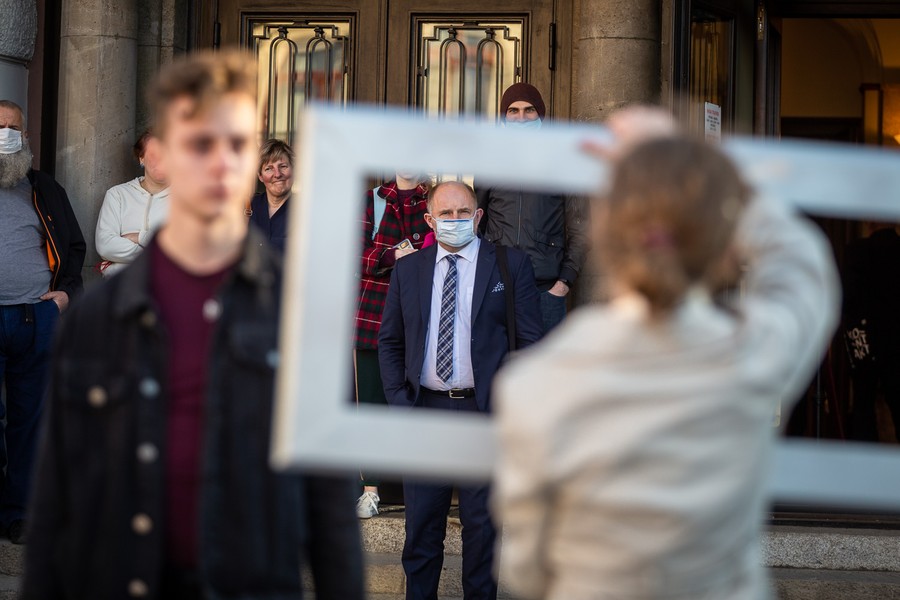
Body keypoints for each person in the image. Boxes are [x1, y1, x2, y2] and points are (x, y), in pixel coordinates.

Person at [23, 51, 364, 600]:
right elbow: (56, 499)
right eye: (199, 142)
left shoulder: (294, 308)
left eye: (236, 143)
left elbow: (328, 510)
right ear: (159, 155)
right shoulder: (96, 319)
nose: (219, 162)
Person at [491, 126, 840, 600]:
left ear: (601, 232)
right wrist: (705, 169)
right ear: (722, 247)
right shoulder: (750, 357)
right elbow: (801, 266)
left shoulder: (533, 383)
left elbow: (524, 569)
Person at [378, 180, 543, 600]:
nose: (456, 220)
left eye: (463, 212)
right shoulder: (408, 269)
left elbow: (530, 344)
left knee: (483, 530)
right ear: (430, 220)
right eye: (446, 215)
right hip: (424, 411)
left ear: (478, 215)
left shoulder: (510, 264)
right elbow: (391, 342)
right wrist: (400, 402)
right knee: (421, 530)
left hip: (482, 413)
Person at [0, 99, 85, 544]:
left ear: (26, 138)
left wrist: (66, 295)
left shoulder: (44, 188)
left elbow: (73, 245)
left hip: (37, 317)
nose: (6, 133)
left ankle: (20, 513)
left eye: (14, 127)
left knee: (31, 419)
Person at [475, 82, 589, 333]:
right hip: (496, 285)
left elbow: (580, 229)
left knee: (544, 370)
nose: (521, 118)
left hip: (545, 291)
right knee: (496, 369)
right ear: (503, 117)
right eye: (513, 111)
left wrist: (563, 284)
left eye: (529, 111)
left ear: (541, 115)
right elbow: (477, 222)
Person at [354, 171, 432, 519]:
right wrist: (391, 256)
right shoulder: (372, 199)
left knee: (419, 400)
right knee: (371, 401)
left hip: (420, 313)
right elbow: (354, 254)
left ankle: (419, 489)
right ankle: (371, 490)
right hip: (374, 314)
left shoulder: (433, 199)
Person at [843, 222, 900, 442]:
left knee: (863, 407)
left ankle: (864, 467)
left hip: (865, 341)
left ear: (870, 223)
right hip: (896, 342)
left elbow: (847, 297)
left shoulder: (856, 251)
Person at [95, 129, 170, 277]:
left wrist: (140, 237)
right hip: (120, 291)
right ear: (141, 158)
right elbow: (105, 245)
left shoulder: (187, 199)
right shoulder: (118, 195)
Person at [248, 138, 294, 253]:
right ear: (260, 176)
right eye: (269, 169)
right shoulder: (247, 207)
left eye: (283, 166)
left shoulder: (306, 212)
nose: (277, 174)